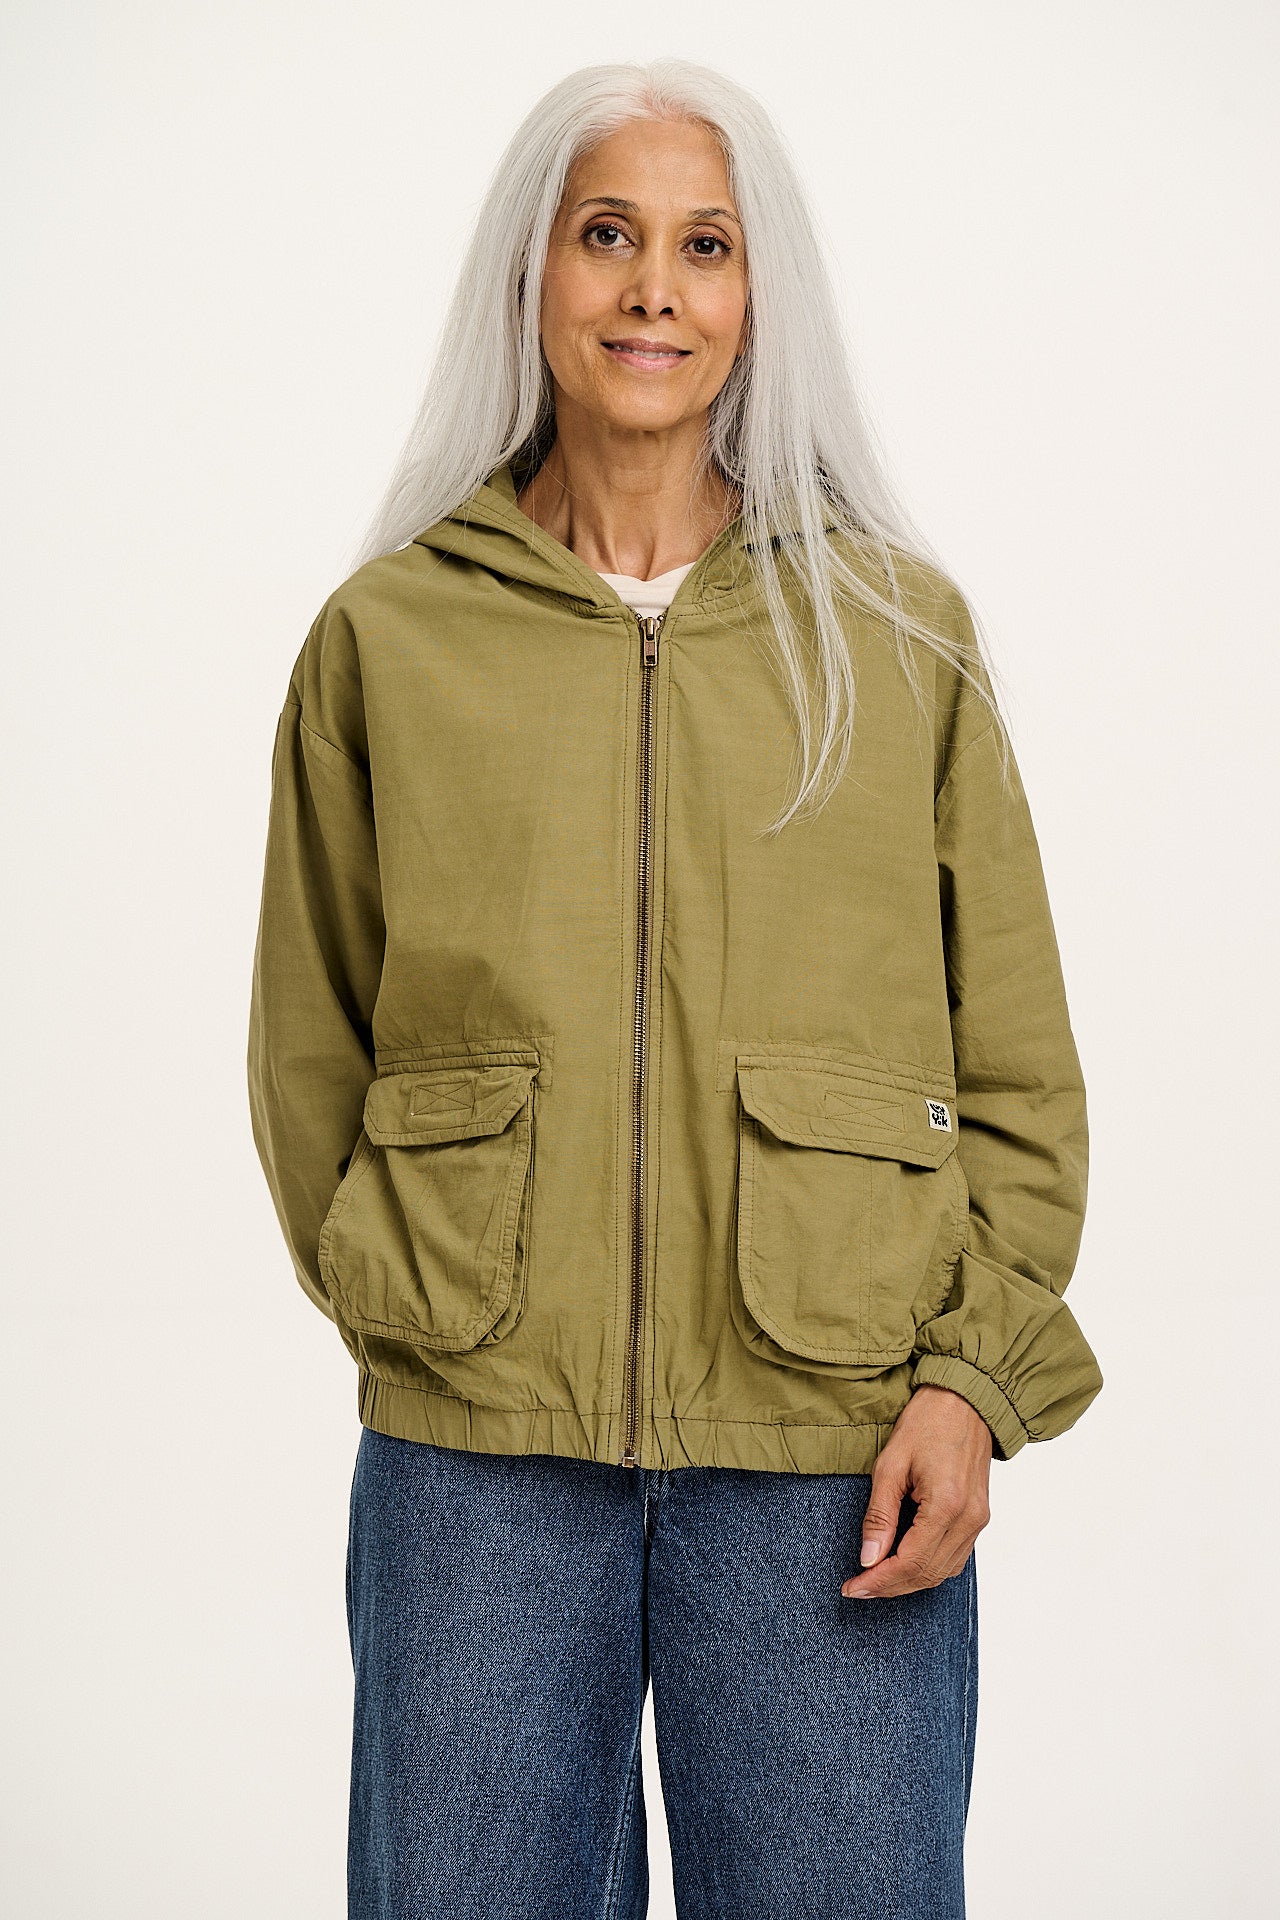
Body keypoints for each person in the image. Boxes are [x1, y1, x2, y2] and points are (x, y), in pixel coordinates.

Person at [247, 57, 1103, 1920]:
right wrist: (419, 1304)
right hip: (477, 1458)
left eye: (705, 246)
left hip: (837, 1452)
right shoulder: (391, 638)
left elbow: (1021, 1074)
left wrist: (970, 1385)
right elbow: (310, 1047)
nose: (654, 290)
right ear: (531, 273)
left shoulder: (897, 638)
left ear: (758, 293)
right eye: (607, 235)